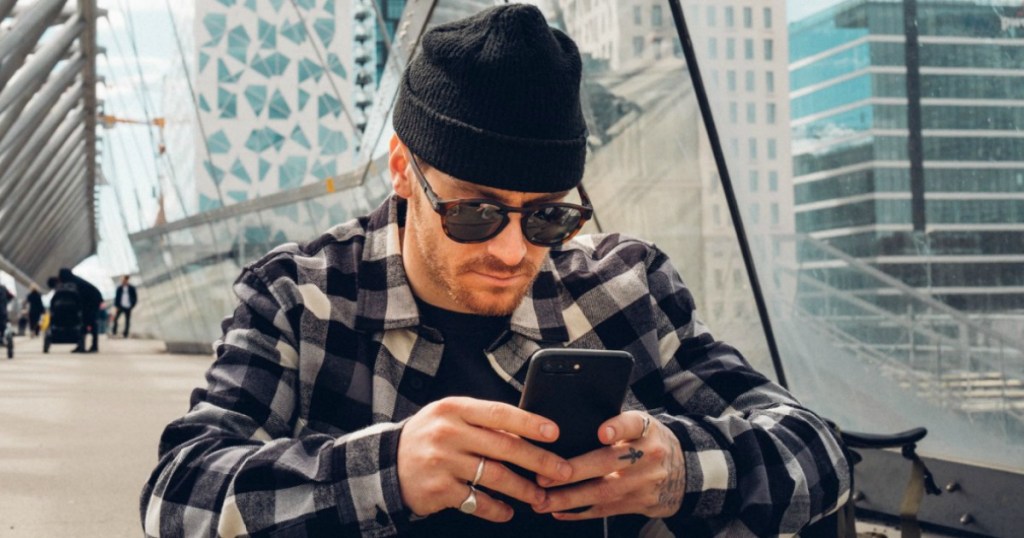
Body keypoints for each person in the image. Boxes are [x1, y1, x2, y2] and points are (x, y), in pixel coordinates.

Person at [141, 5, 849, 537]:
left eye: (547, 218)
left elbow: (820, 452)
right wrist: (392, 471)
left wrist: (680, 468)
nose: (512, 251)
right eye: (475, 214)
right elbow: (179, 494)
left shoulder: (625, 286)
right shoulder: (301, 297)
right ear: (402, 173)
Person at [57, 268, 102, 353]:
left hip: (93, 301)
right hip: (90, 301)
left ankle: (93, 346)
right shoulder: (73, 280)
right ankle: (81, 345)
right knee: (84, 323)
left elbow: (79, 296)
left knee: (91, 322)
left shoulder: (74, 282)